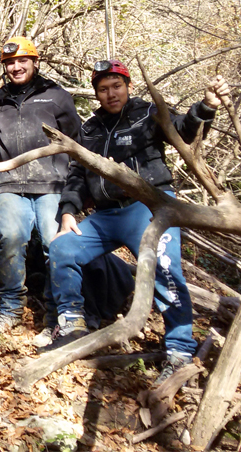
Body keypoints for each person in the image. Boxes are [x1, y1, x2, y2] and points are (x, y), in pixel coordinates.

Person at [46, 60, 229, 386]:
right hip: (105, 215)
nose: (111, 94)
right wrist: (68, 211)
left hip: (149, 209)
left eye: (117, 86)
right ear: (96, 93)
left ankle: (179, 352)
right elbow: (77, 174)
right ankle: (72, 324)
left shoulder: (147, 113)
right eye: (103, 89)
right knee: (62, 248)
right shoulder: (90, 128)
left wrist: (207, 106)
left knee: (166, 271)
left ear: (128, 86)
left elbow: (184, 130)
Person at [0, 36, 82, 340]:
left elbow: (77, 144)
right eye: (10, 63)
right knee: (10, 242)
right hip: (10, 185)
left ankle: (59, 316)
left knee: (56, 246)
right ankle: (11, 311)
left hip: (52, 183)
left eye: (22, 61)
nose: (16, 67)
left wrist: (78, 189)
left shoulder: (56, 97)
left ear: (35, 62)